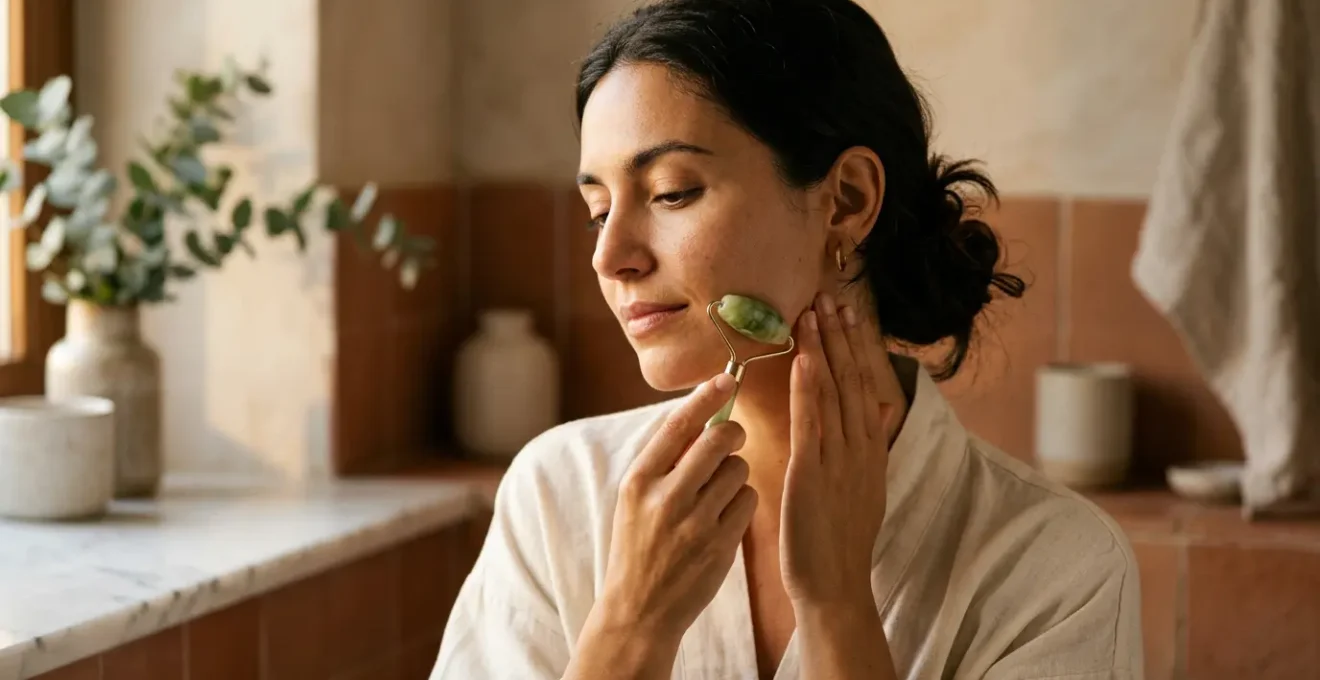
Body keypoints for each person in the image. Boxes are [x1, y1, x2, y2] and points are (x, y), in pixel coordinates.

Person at [432, 0, 1143, 678]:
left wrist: (838, 608)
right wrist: (630, 629)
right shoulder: (557, 497)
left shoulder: (1059, 567)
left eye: (672, 192)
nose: (610, 255)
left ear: (848, 200)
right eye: (596, 210)